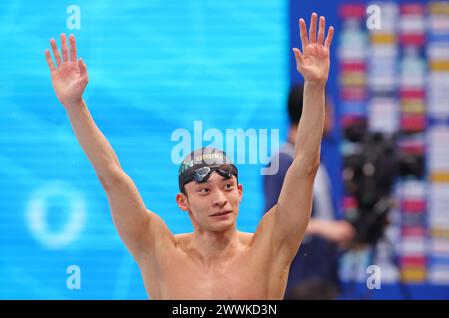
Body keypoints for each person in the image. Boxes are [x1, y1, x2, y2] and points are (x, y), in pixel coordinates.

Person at [44, 13, 334, 299]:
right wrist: (74, 104)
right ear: (183, 202)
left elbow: (306, 166)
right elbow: (112, 177)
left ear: (240, 192)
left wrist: (315, 85)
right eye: (205, 191)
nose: (220, 199)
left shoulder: (269, 248)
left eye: (228, 187)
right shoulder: (158, 251)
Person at [264, 85, 355, 299]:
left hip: (323, 274)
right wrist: (326, 228)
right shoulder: (280, 162)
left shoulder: (316, 163)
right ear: (313, 113)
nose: (332, 119)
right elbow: (276, 222)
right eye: (327, 111)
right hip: (299, 279)